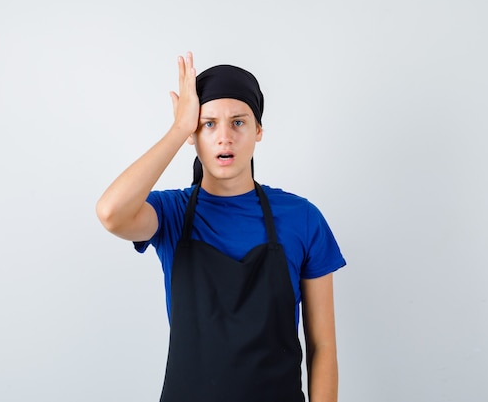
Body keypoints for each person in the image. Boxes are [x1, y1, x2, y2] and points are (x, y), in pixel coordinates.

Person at [96, 52, 346, 402]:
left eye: (238, 122)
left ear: (258, 131)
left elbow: (322, 346)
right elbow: (111, 213)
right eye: (208, 123)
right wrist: (178, 129)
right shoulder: (171, 214)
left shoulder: (302, 218)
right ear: (193, 134)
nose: (224, 137)